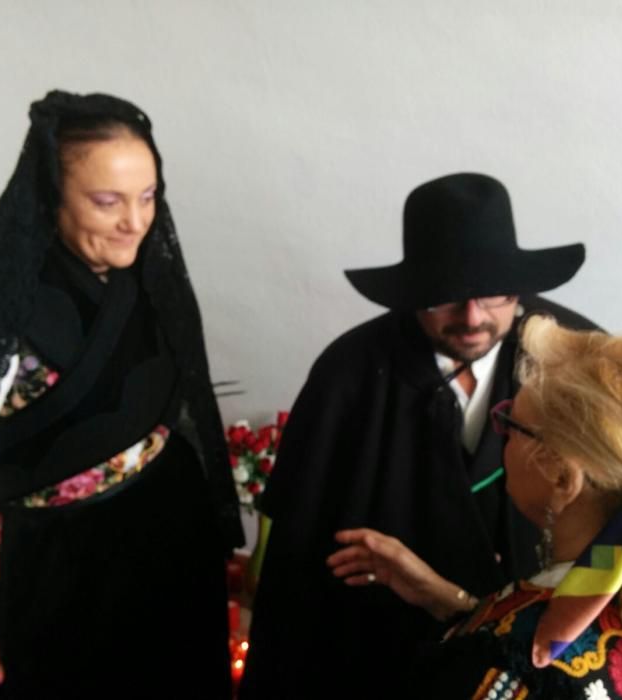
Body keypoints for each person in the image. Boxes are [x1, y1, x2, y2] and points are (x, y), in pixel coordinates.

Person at [0, 90, 243, 698]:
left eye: (147, 197)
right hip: (61, 563)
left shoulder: (147, 275)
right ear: (50, 195)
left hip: (168, 533)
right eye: (106, 201)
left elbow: (177, 399)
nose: (134, 222)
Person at [240, 173, 599, 699]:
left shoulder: (573, 358)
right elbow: (297, 559)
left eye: (492, 294)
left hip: (536, 650)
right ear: (412, 295)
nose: (472, 317)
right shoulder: (351, 373)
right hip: (381, 650)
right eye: (446, 298)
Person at [328, 316, 622, 698]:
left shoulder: (510, 673)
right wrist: (453, 603)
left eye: (511, 424)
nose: (500, 432)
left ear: (563, 478)